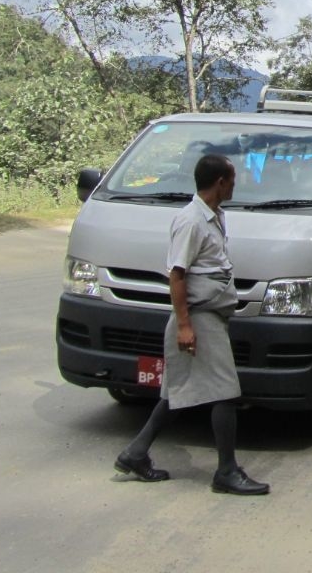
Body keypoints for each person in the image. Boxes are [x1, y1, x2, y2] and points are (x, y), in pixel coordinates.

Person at [113, 154, 268, 496]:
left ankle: (135, 454)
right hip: (199, 318)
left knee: (175, 393)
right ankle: (226, 471)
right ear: (220, 183)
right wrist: (185, 325)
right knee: (225, 391)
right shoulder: (191, 221)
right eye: (232, 178)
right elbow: (177, 275)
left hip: (209, 314)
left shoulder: (214, 217)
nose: (235, 184)